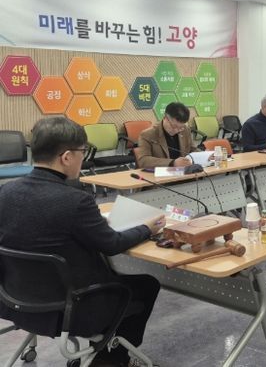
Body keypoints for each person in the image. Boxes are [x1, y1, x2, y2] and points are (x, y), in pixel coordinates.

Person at [0, 117, 165, 367]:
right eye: (82, 152)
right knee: (146, 285)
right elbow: (112, 244)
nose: (83, 158)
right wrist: (146, 228)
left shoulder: (6, 192)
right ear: (67, 157)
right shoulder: (76, 201)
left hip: (15, 301)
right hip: (72, 309)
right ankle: (111, 359)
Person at [137, 102, 197, 169]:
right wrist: (172, 162)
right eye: (174, 126)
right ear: (165, 118)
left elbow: (193, 149)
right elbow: (143, 161)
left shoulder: (185, 130)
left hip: (184, 172)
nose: (177, 130)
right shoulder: (147, 134)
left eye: (181, 127)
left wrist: (203, 155)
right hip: (160, 173)